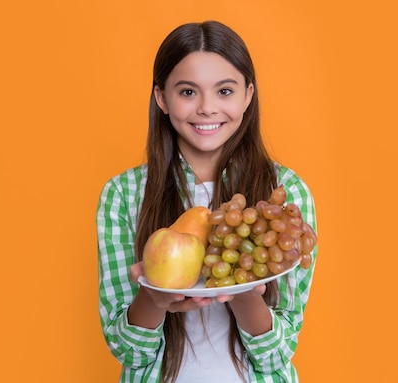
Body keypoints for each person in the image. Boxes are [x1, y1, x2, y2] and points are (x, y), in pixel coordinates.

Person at [96, 20, 317, 383]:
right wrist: (154, 299)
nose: (207, 108)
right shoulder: (124, 194)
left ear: (248, 95)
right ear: (162, 98)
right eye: (187, 92)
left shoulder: (284, 194)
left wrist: (245, 293)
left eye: (224, 91)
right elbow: (128, 351)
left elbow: (278, 353)